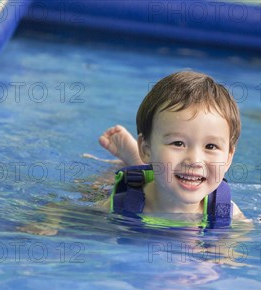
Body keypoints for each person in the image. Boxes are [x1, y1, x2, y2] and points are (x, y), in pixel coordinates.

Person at [97, 71, 246, 227]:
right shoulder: (117, 206)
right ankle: (137, 159)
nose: (194, 160)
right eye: (178, 143)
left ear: (228, 158)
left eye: (211, 146)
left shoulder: (227, 213)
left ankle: (136, 158)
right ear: (145, 148)